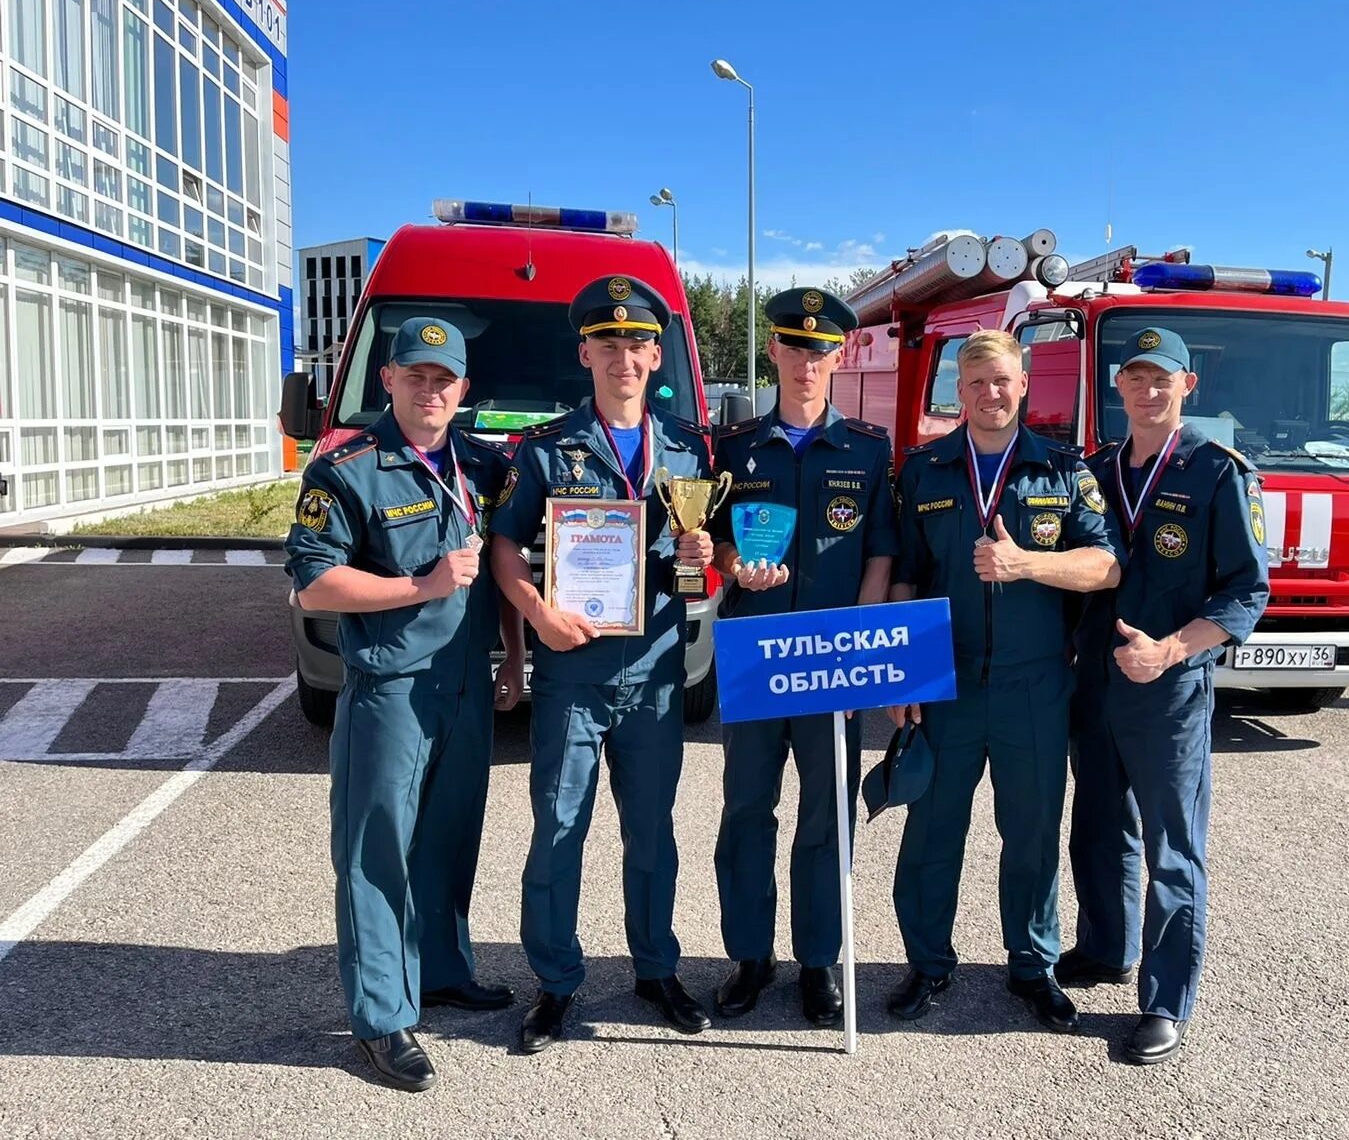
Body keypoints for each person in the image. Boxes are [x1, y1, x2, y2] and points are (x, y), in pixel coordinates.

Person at [284, 316, 525, 1093]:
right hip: (391, 687)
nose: (431, 389)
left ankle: (443, 969)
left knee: (450, 838)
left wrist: (516, 656)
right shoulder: (348, 471)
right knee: (375, 852)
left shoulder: (484, 465)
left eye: (444, 378)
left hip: (464, 683)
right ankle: (382, 1016)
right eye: (416, 375)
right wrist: (417, 587)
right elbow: (313, 583)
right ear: (388, 380)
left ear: (464, 388)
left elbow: (499, 567)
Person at [488, 274, 716, 1053]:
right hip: (574, 673)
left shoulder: (686, 448)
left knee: (651, 834)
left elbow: (695, 576)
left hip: (654, 671)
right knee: (558, 829)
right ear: (585, 350)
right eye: (610, 342)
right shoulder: (548, 448)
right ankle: (555, 984)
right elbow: (505, 546)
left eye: (639, 343)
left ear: (658, 356)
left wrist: (700, 556)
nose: (625, 355)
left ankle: (655, 969)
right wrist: (539, 618)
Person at [883, 328, 1121, 1032]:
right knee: (933, 831)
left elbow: (1105, 567)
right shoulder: (924, 470)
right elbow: (905, 575)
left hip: (1034, 684)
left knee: (1032, 831)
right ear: (961, 390)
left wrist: (1027, 565)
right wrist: (903, 677)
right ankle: (927, 964)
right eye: (977, 381)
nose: (991, 393)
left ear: (1024, 386)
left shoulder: (1062, 471)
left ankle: (1032, 967)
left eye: (1003, 381)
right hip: (945, 680)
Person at [1062, 325, 1269, 1064]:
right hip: (1095, 681)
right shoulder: (1091, 470)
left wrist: (1174, 649)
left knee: (1172, 847)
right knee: (1096, 824)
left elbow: (1248, 590)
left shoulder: (1218, 472)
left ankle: (1165, 1000)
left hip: (1170, 688)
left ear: (1188, 387)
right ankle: (1104, 949)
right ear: (1117, 387)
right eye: (1135, 378)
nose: (1148, 391)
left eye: (1163, 379)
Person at [706, 287, 896, 1026]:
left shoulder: (870, 450)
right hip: (756, 652)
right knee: (748, 808)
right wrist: (730, 561)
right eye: (793, 346)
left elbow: (881, 548)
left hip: (832, 659)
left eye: (820, 349)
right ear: (774, 352)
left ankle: (819, 960)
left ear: (839, 356)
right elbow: (710, 541)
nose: (806, 361)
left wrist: (864, 633)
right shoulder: (735, 448)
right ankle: (751, 956)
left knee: (827, 815)